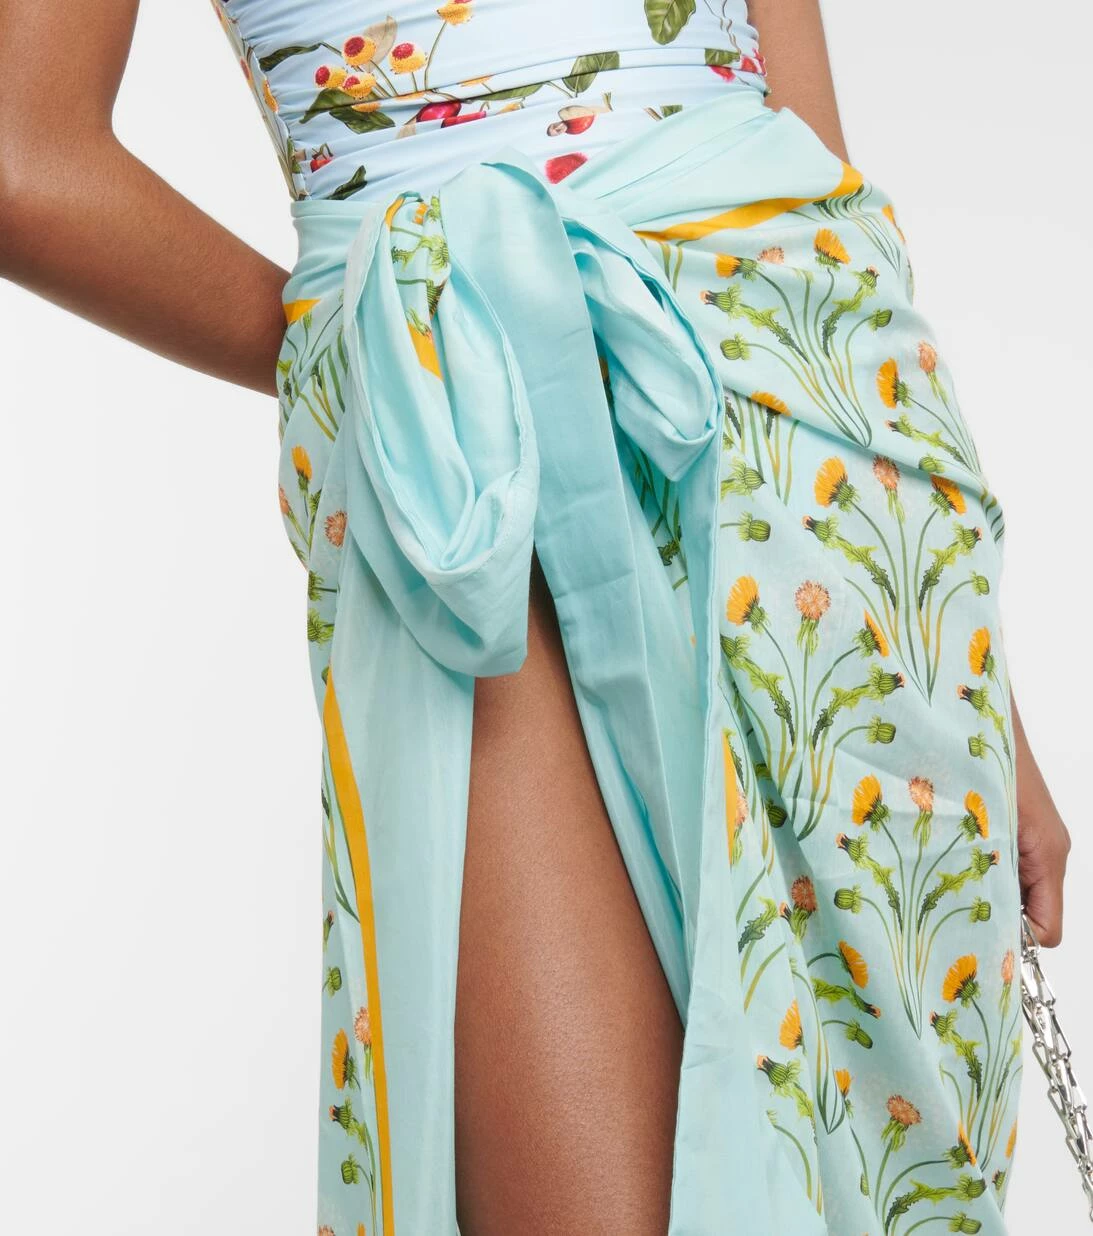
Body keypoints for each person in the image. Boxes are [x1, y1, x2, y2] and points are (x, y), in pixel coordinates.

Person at [0, 1, 1073, 1232]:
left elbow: (813, 160)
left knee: (883, 1183)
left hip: (822, 442)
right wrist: (391, 335)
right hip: (467, 487)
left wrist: (989, 692)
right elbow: (25, 160)